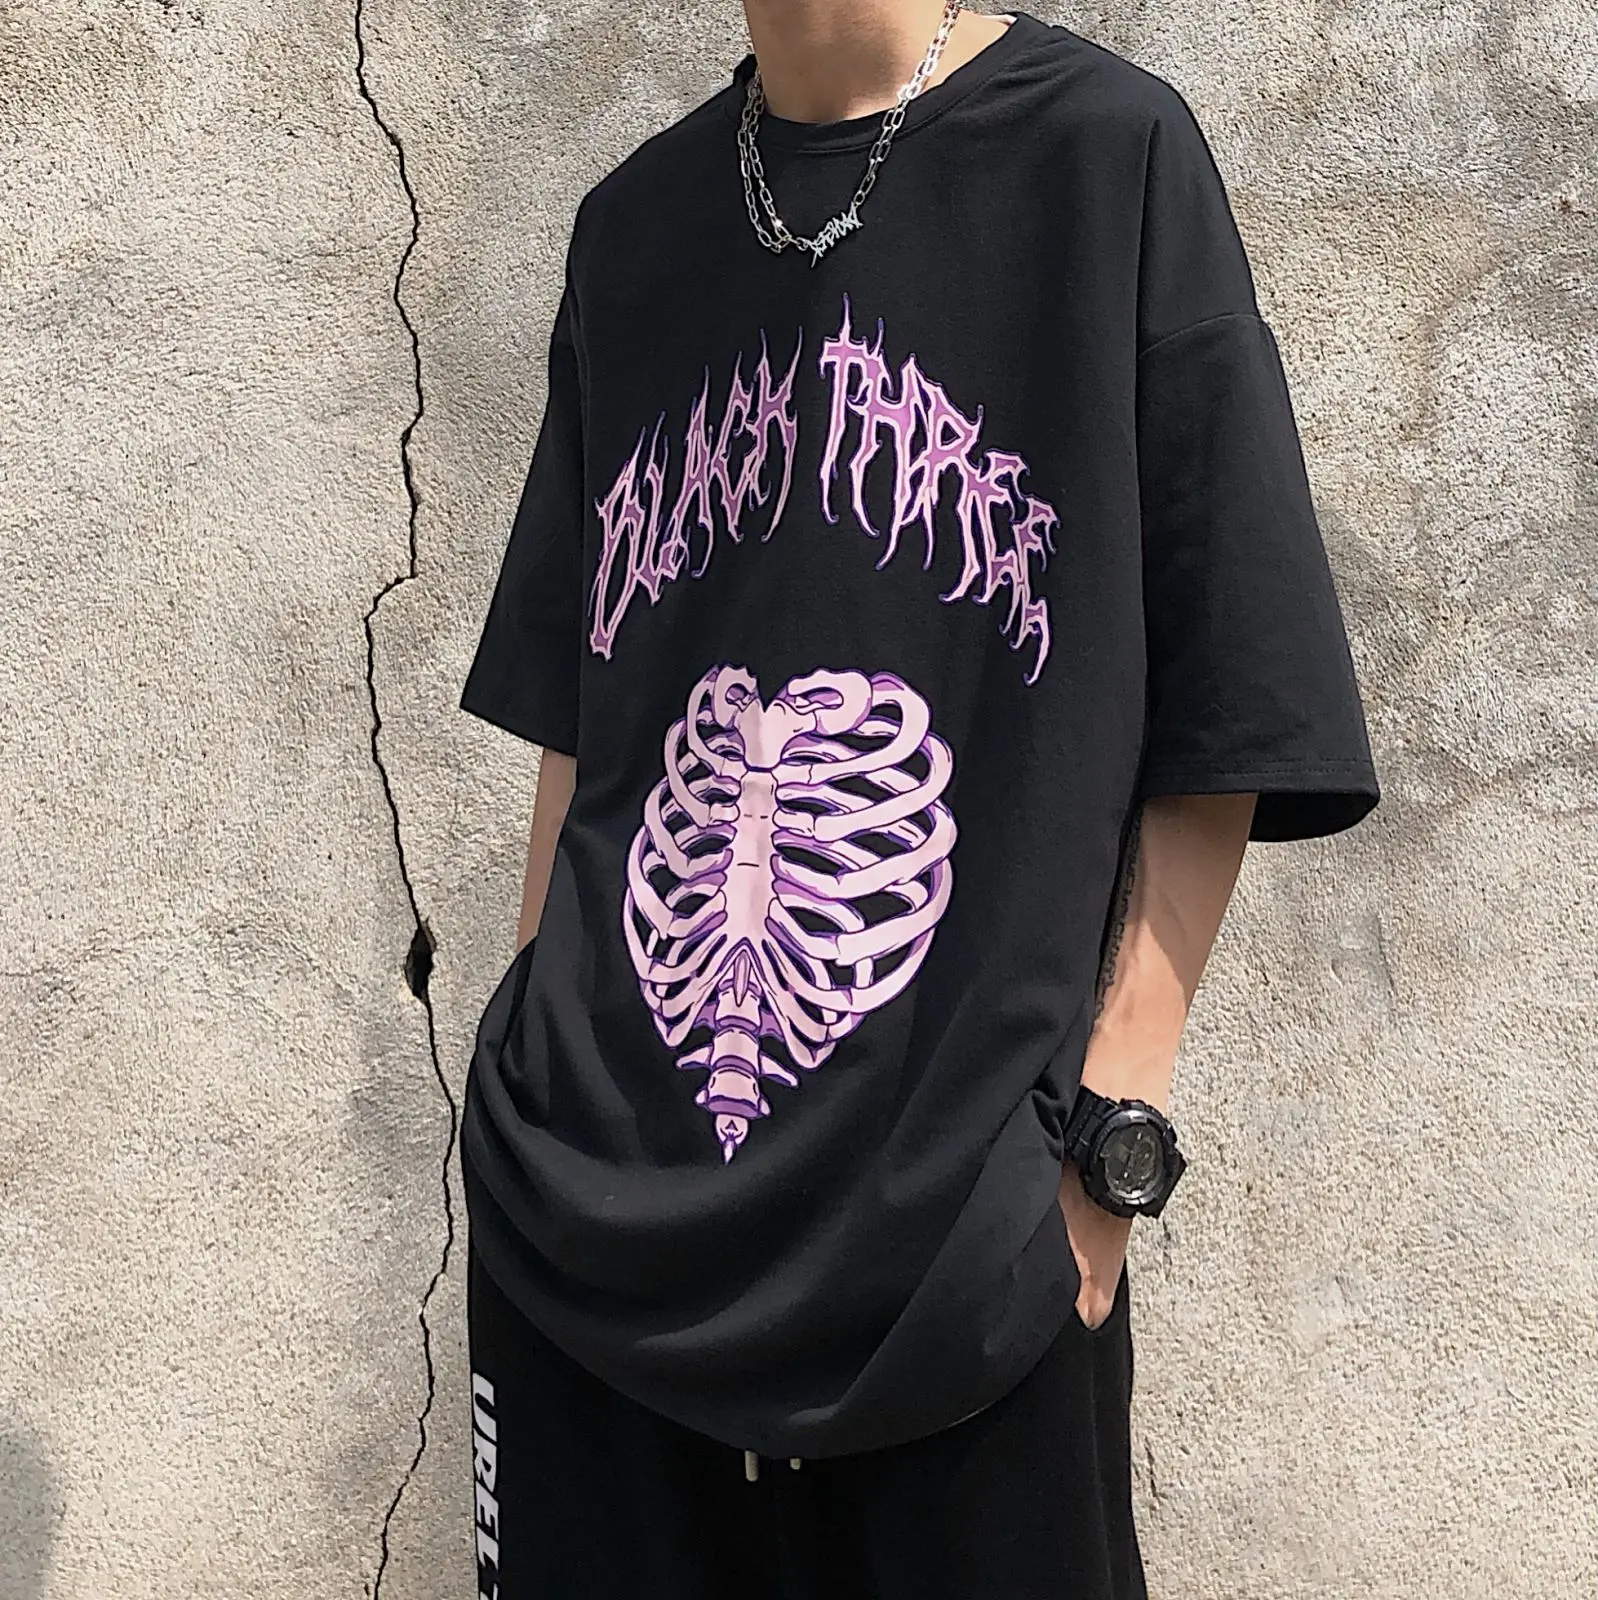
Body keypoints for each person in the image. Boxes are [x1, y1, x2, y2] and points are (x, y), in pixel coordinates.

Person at [455, 4, 1380, 1596]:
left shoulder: (1106, 157)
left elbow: (1233, 683)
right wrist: (524, 1081)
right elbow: (585, 702)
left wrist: (1107, 1142)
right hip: (589, 1222)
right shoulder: (634, 225)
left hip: (959, 1229)